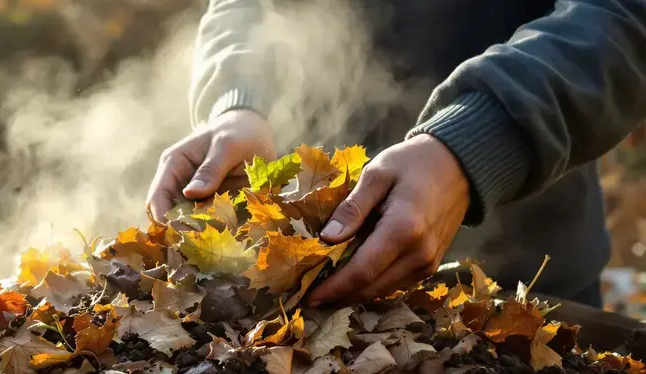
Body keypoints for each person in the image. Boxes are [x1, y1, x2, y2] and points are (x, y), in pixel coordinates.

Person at [147, 0, 646, 308]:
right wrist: (240, 101)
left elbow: (623, 15)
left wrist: (476, 143)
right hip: (303, 278)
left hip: (525, 287)